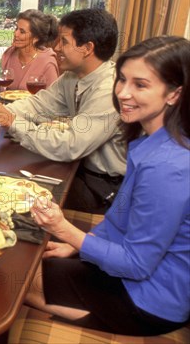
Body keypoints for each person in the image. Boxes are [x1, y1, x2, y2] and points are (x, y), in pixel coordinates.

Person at [25, 36, 190, 336]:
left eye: (140, 85)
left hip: (150, 299)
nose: (123, 93)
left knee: (13, 281)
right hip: (134, 274)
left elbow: (137, 265)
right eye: (122, 80)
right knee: (22, 271)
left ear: (174, 94)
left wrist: (66, 230)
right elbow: (121, 219)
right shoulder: (152, 141)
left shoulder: (169, 167)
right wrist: (76, 246)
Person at [0, 8, 126, 214]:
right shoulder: (72, 77)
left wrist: (13, 122)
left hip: (102, 189)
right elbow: (39, 105)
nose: (56, 47)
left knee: (12, 202)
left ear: (87, 48)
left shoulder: (108, 90)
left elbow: (71, 145)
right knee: (3, 188)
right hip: (78, 169)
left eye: (64, 42)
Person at [1, 9, 59, 90]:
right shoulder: (8, 54)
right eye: (16, 28)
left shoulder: (47, 63)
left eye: (22, 32)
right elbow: (1, 90)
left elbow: (53, 99)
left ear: (36, 38)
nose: (15, 34)